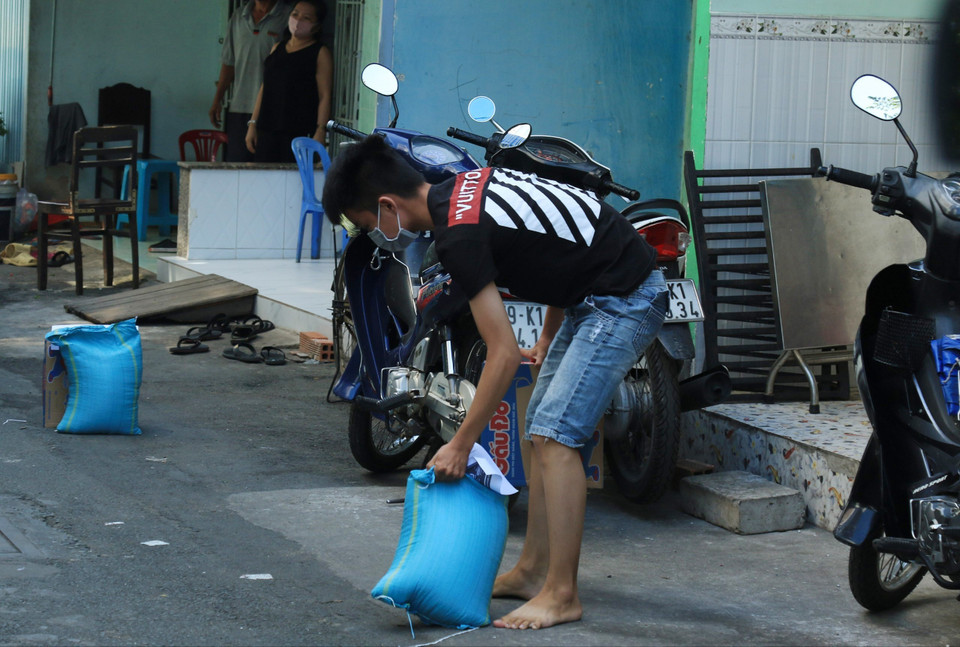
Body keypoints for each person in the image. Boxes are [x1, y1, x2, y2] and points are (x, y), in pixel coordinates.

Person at [321, 135, 668, 630]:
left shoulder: (457, 236)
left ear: (388, 206)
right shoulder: (462, 189)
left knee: (556, 437)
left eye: (368, 224)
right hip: (593, 295)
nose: (376, 236)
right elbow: (560, 249)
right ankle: (532, 571)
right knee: (538, 433)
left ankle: (562, 594)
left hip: (624, 299)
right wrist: (547, 336)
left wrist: (460, 445)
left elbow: (502, 355)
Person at [245, 0, 333, 163]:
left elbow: (324, 95)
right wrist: (253, 124)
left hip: (298, 131)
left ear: (317, 26)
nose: (298, 21)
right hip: (267, 129)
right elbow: (264, 88)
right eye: (295, 14)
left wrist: (320, 130)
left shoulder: (320, 52)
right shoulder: (277, 48)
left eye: (306, 18)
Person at [209, 0, 291, 162]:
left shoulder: (288, 16)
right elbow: (228, 62)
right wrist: (217, 99)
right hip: (240, 106)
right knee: (237, 165)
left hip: (272, 109)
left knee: (268, 166)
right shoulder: (239, 16)